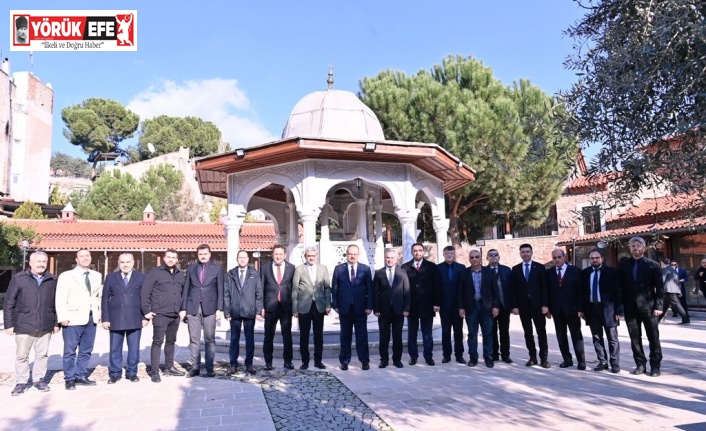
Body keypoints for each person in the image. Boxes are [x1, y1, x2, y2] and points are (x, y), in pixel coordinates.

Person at [4, 251, 58, 395]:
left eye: (44, 262)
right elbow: (9, 302)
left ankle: (39, 379)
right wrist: (8, 324)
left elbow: (56, 303)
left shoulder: (52, 279)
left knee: (42, 355)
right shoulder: (19, 278)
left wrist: (56, 323)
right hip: (24, 324)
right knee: (22, 355)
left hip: (45, 324)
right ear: (31, 263)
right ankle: (21, 382)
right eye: (38, 261)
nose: (41, 264)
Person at [56, 248, 102, 390]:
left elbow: (97, 297)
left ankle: (81, 375)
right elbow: (60, 297)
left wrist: (98, 314)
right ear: (76, 260)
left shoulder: (97, 275)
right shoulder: (66, 276)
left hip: (91, 318)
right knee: (70, 351)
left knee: (86, 350)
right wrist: (62, 317)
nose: (85, 258)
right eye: (82, 256)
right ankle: (69, 378)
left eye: (87, 256)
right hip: (72, 319)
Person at [617, 237, 664, 377]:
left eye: (638, 245)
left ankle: (655, 366)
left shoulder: (653, 265)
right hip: (630, 308)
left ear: (644, 248)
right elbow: (620, 288)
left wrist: (658, 306)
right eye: (633, 246)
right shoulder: (624, 265)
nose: (635, 248)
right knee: (635, 338)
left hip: (649, 308)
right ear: (630, 248)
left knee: (653, 338)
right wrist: (620, 308)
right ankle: (640, 364)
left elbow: (660, 288)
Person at [141, 249, 186, 382]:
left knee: (171, 341)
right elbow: (145, 292)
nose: (171, 259)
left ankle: (169, 366)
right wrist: (146, 311)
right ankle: (154, 371)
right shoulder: (155, 273)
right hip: (160, 313)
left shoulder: (180, 275)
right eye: (168, 257)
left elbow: (183, 294)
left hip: (175, 314)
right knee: (157, 342)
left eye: (173, 257)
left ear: (177, 260)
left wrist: (183, 309)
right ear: (164, 258)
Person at [101, 253, 147, 384]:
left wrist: (145, 316)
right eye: (122, 262)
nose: (125, 265)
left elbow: (145, 298)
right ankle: (115, 373)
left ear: (133, 262)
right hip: (116, 317)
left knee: (134, 347)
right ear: (118, 263)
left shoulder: (141, 277)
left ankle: (132, 372)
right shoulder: (110, 277)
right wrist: (105, 318)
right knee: (115, 347)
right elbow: (104, 299)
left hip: (135, 316)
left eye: (128, 262)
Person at [181, 244, 224, 378]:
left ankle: (210, 367)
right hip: (192, 308)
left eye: (205, 254)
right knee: (194, 339)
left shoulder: (216, 269)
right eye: (200, 254)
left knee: (209, 339)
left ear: (210, 254)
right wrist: (183, 308)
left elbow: (220, 290)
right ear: (197, 255)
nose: (203, 256)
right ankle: (195, 367)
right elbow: (186, 289)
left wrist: (220, 309)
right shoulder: (191, 269)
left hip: (210, 308)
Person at [579, 250, 623, 374]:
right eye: (592, 258)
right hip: (592, 309)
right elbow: (582, 293)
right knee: (597, 337)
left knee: (612, 338)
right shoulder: (585, 273)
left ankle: (615, 363)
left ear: (602, 259)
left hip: (609, 309)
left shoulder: (612, 272)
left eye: (597, 257)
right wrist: (582, 309)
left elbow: (619, 292)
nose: (594, 260)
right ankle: (602, 361)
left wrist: (619, 310)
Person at [332, 244, 373, 370]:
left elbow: (370, 289)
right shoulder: (339, 269)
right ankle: (344, 361)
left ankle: (364, 361)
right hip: (345, 308)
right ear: (346, 254)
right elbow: (334, 288)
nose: (352, 256)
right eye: (350, 253)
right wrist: (335, 305)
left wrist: (369, 306)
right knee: (345, 336)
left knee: (362, 336)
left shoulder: (365, 269)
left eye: (355, 254)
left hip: (361, 308)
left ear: (358, 255)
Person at [510, 243, 550, 368]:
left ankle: (544, 358)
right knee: (528, 333)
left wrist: (545, 305)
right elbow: (514, 289)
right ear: (520, 253)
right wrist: (514, 306)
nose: (525, 253)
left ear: (532, 252)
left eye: (527, 251)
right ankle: (532, 357)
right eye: (523, 252)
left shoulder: (539, 267)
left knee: (541, 332)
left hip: (538, 306)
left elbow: (544, 287)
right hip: (523, 307)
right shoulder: (515, 269)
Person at [457, 250, 500, 368]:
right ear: (469, 259)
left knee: (488, 334)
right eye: (472, 257)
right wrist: (461, 307)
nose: (475, 259)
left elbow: (495, 291)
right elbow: (460, 292)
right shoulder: (464, 273)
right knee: (472, 334)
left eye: (477, 257)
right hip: (471, 307)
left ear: (481, 258)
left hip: (486, 307)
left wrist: (496, 306)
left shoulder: (489, 272)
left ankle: (488, 357)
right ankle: (473, 357)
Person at [224, 250, 263, 375]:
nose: (242, 259)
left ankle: (249, 364)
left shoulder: (254, 274)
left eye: (244, 257)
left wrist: (258, 311)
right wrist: (227, 312)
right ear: (237, 259)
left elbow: (259, 293)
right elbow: (226, 294)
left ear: (248, 259)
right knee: (234, 338)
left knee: (249, 339)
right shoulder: (230, 274)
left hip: (249, 310)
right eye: (240, 257)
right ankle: (233, 364)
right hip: (235, 311)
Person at [292, 246, 331, 370]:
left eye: (313, 256)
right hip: (304, 306)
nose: (311, 258)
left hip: (319, 306)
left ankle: (318, 361)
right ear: (305, 256)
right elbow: (294, 289)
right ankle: (305, 361)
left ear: (317, 256)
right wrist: (294, 308)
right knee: (304, 335)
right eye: (309, 256)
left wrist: (328, 305)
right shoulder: (299, 269)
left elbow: (327, 288)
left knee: (318, 335)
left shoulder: (323, 268)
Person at [546, 249, 586, 370]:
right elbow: (547, 292)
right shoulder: (549, 273)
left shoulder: (575, 271)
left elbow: (580, 292)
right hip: (557, 310)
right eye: (554, 258)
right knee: (561, 336)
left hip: (572, 309)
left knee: (576, 336)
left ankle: (581, 361)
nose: (557, 259)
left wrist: (581, 308)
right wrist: (548, 308)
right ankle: (567, 359)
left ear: (564, 257)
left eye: (559, 257)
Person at [402, 243, 441, 366]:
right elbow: (402, 288)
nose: (417, 253)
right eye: (415, 250)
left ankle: (428, 356)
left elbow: (437, 286)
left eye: (419, 250)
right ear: (412, 252)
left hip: (427, 305)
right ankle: (413, 356)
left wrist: (436, 303)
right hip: (411, 306)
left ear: (423, 251)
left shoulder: (431, 267)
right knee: (412, 334)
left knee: (427, 333)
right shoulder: (405, 267)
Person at [373, 248, 410, 369]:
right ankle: (384, 360)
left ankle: (397, 360)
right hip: (383, 311)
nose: (389, 260)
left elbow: (407, 292)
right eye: (387, 257)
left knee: (397, 336)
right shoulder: (378, 273)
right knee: (384, 337)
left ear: (396, 259)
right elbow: (375, 293)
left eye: (392, 258)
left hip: (398, 310)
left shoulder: (402, 272)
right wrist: (376, 309)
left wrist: (406, 308)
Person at [261, 244, 296, 370]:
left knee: (287, 335)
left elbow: (294, 288)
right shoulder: (265, 268)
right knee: (268, 335)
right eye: (276, 254)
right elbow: (261, 288)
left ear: (285, 255)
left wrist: (295, 307)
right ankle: (268, 362)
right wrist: (261, 307)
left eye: (280, 254)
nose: (278, 256)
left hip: (286, 307)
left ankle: (288, 361)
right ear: (272, 254)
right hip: (270, 306)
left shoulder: (291, 268)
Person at [437, 246, 466, 364]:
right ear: (443, 254)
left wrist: (463, 306)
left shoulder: (461, 268)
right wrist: (437, 303)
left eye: (451, 253)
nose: (449, 255)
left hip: (458, 306)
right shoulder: (438, 268)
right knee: (445, 331)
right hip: (444, 306)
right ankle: (446, 355)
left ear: (454, 254)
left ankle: (459, 355)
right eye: (447, 253)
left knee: (458, 331)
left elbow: (464, 288)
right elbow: (436, 288)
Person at [486, 249, 514, 364]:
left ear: (499, 257)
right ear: (487, 258)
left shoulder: (507, 270)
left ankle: (505, 354)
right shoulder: (484, 270)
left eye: (495, 255)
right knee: (491, 331)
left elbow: (512, 288)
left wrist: (513, 305)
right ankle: (494, 354)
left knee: (504, 331)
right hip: (490, 307)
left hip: (504, 306)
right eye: (491, 255)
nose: (493, 257)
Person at [660, 259, 690, 324]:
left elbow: (662, 279)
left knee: (676, 305)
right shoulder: (673, 270)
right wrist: (678, 290)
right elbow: (677, 281)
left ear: (662, 263)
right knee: (664, 305)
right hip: (671, 290)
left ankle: (686, 319)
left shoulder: (665, 269)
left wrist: (657, 287)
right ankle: (658, 319)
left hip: (668, 290)